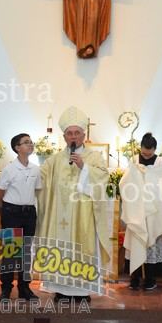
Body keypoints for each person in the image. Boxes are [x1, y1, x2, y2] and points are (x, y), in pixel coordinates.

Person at [37, 106, 111, 301]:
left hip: (82, 216)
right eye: (69, 133)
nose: (73, 137)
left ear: (84, 135)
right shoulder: (54, 160)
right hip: (58, 217)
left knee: (81, 250)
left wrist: (84, 167)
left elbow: (103, 178)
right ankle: (60, 290)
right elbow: (39, 179)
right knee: (60, 251)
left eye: (77, 133)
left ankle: (82, 292)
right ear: (64, 137)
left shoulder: (94, 157)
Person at [0, 133, 42, 301]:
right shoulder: (9, 169)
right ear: (17, 148)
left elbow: (36, 190)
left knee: (26, 252)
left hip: (29, 213)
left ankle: (24, 288)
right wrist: (8, 210)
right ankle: (6, 289)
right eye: (26, 142)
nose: (30, 144)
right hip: (12, 213)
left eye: (31, 142)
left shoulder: (35, 169)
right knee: (11, 252)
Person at [120, 132, 162, 290]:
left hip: (153, 210)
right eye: (144, 153)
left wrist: (146, 185)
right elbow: (126, 182)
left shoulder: (160, 162)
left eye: (149, 154)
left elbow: (161, 185)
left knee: (150, 243)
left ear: (154, 150)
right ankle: (135, 277)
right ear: (140, 148)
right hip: (137, 209)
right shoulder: (134, 160)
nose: (146, 156)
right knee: (136, 242)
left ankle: (150, 278)